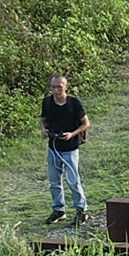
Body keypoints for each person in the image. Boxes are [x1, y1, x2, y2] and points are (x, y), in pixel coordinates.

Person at [39, 75, 90, 225]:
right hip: (53, 147)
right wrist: (43, 130)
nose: (56, 90)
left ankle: (82, 211)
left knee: (73, 181)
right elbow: (43, 120)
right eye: (53, 87)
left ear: (66, 87)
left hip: (70, 149)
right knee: (54, 181)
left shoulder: (73, 103)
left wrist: (72, 134)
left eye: (59, 87)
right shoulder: (47, 102)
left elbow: (86, 123)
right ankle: (58, 210)